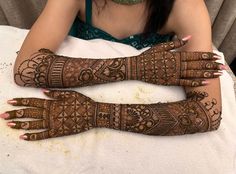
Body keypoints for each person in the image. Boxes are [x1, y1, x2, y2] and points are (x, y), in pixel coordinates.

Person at [0, 0, 227, 140]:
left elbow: (207, 112)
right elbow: (25, 69)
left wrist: (96, 114)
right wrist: (135, 67)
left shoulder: (186, 6)